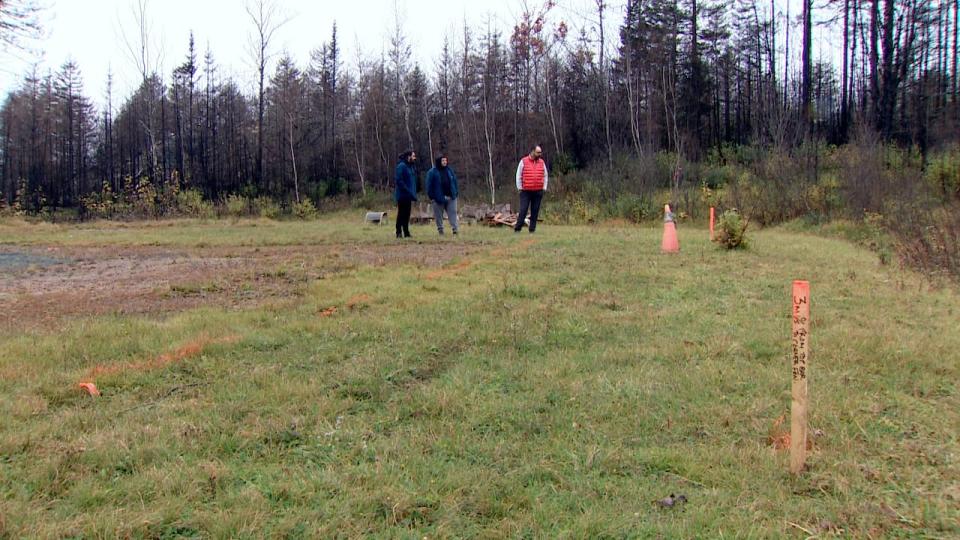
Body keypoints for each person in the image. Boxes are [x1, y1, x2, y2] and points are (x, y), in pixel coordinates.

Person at [514, 145, 548, 233]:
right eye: (538, 152)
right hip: (525, 191)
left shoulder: (542, 162)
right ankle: (518, 228)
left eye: (540, 152)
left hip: (538, 191)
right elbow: (518, 175)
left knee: (535, 211)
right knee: (523, 210)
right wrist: (519, 187)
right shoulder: (523, 161)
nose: (540, 154)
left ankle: (532, 230)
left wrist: (544, 187)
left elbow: (545, 175)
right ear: (533, 151)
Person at [426, 154, 460, 236]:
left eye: (445, 160)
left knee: (453, 213)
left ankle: (455, 230)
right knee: (439, 216)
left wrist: (455, 192)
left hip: (451, 197)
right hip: (438, 198)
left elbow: (454, 181)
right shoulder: (432, 172)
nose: (445, 162)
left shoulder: (449, 170)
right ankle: (440, 230)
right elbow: (429, 185)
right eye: (443, 161)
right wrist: (432, 197)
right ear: (439, 162)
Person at [393, 150, 418, 238]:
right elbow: (399, 180)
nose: (415, 158)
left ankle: (406, 232)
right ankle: (398, 232)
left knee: (407, 214)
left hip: (409, 195)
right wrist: (406, 190)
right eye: (413, 156)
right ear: (408, 157)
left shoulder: (410, 167)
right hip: (402, 195)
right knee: (401, 214)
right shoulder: (401, 166)